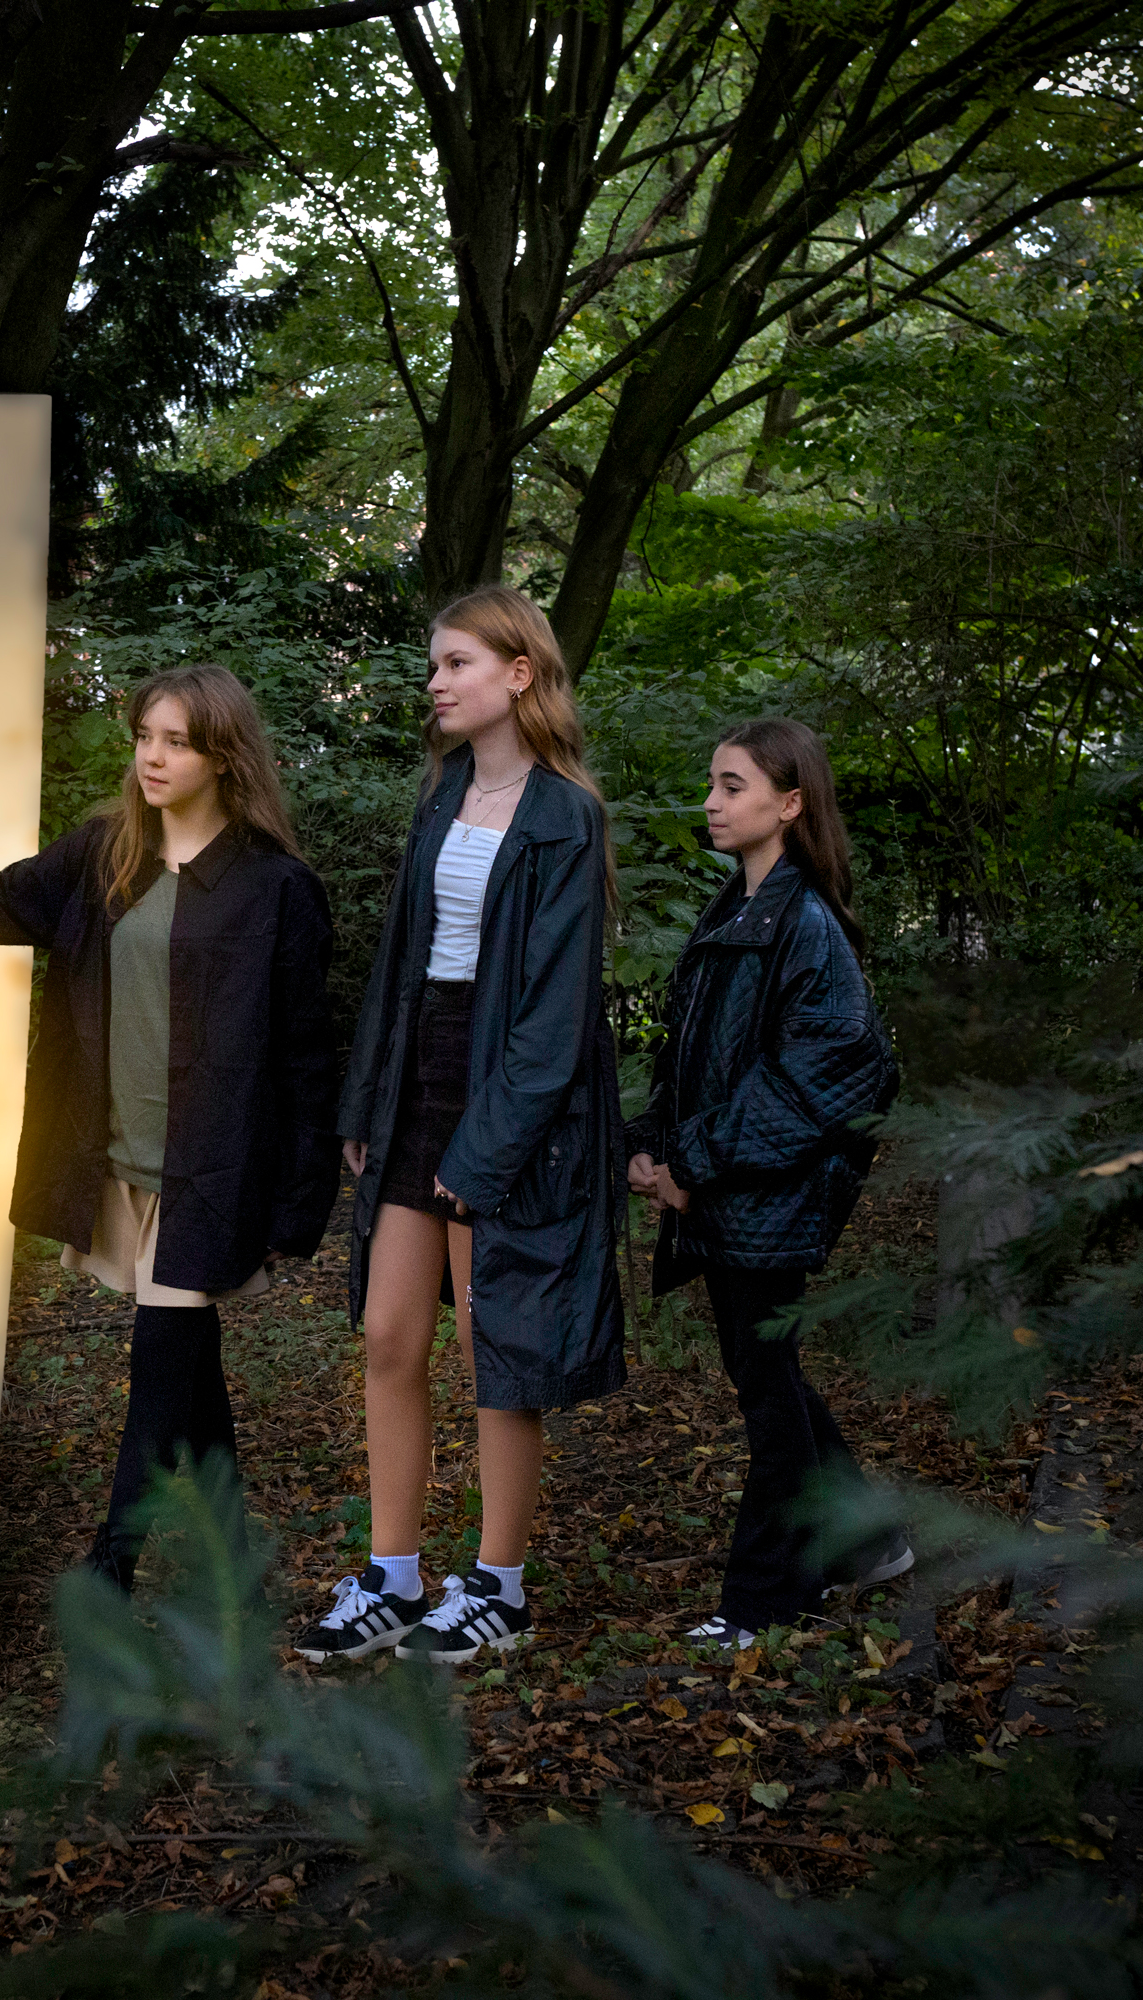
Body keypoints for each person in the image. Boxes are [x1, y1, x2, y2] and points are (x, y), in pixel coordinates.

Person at [0, 664, 337, 1590]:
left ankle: (111, 1564)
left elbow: (305, 1062)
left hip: (216, 1171)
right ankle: (236, 1550)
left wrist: (297, 1209)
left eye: (176, 741)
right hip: (117, 1161)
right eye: (144, 736)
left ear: (223, 756)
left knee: (163, 1353)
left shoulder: (276, 890)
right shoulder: (101, 856)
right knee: (185, 1360)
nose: (152, 757)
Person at [294, 586, 626, 1667]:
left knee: (498, 1346)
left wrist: (484, 1153)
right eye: (433, 665)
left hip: (509, 1101)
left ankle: (499, 1584)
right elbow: (400, 965)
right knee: (390, 1334)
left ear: (519, 674)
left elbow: (553, 1011)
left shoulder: (565, 817)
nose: (435, 681)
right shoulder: (442, 795)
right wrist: (366, 1103)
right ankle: (393, 1575)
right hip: (420, 1081)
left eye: (456, 663)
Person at [626, 717, 904, 1652]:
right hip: (726, 1187)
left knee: (766, 1392)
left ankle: (768, 1601)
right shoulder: (729, 912)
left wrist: (693, 1160)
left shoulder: (808, 925)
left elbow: (824, 1077)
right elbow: (693, 1057)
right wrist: (651, 1144)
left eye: (733, 785)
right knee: (764, 1371)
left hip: (770, 1195)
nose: (713, 801)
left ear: (790, 803)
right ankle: (870, 1544)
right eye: (713, 783)